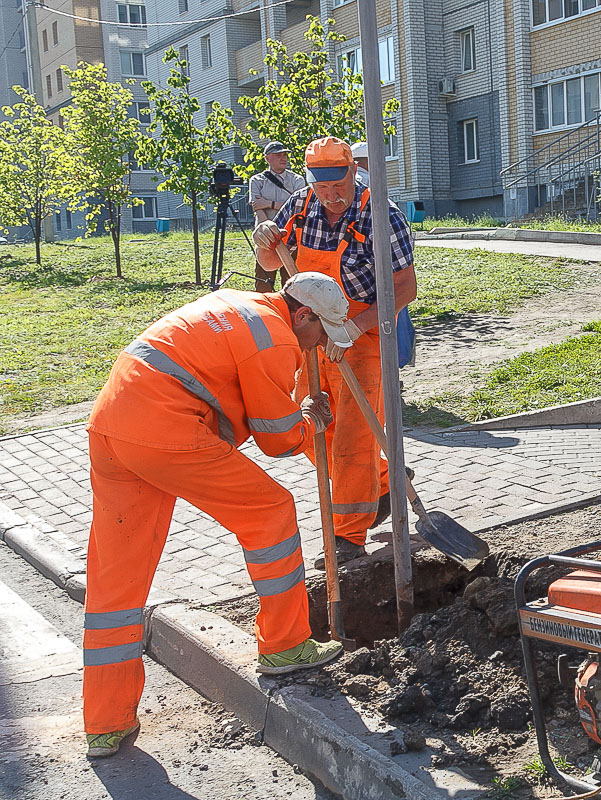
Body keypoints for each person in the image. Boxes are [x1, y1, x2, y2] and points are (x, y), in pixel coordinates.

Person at [82, 272, 353, 759]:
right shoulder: (274, 339)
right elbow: (275, 437)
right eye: (323, 332)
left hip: (112, 423)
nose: (322, 345)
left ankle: (105, 722)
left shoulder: (238, 305)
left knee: (115, 578)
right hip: (167, 425)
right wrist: (310, 417)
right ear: (305, 315)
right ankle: (285, 645)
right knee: (271, 510)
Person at [253, 136, 417, 569]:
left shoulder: (382, 214)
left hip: (363, 333)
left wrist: (354, 327)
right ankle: (382, 483)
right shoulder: (301, 206)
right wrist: (264, 242)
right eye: (321, 185)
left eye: (338, 183)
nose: (331, 195)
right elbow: (272, 265)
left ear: (353, 170)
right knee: (306, 418)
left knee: (352, 437)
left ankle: (348, 536)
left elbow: (404, 288)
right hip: (313, 333)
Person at [248, 142, 307, 292]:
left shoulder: (297, 180)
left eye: (284, 154)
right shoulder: (256, 180)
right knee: (263, 283)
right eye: (278, 155)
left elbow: (298, 208)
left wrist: (269, 203)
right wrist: (268, 231)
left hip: (291, 235)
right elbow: (257, 208)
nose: (283, 158)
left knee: (291, 283)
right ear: (267, 158)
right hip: (266, 238)